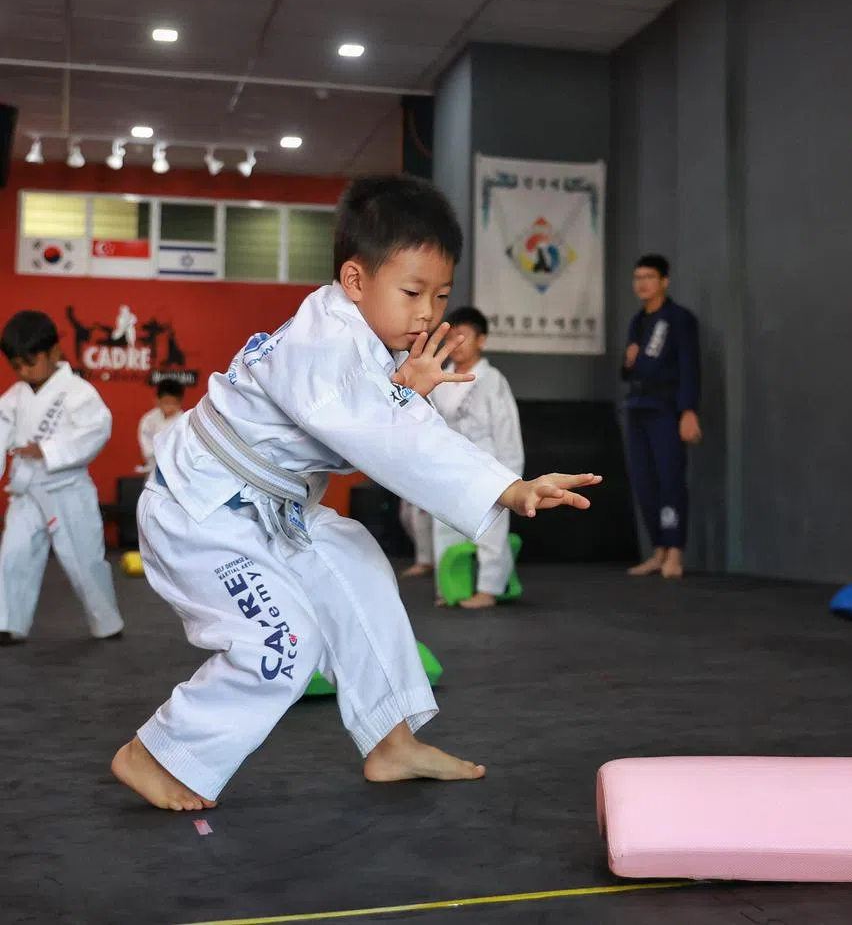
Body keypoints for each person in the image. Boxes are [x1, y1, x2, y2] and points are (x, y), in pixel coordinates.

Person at [110, 175, 601, 812]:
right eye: (412, 293)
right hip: (202, 510)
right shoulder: (328, 343)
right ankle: (157, 753)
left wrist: (405, 391)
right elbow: (390, 438)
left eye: (441, 296)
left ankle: (391, 740)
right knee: (284, 643)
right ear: (355, 280)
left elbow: (375, 422)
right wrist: (506, 486)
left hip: (269, 507)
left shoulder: (357, 341)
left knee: (358, 565)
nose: (427, 313)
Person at [0, 311, 124, 644]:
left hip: (68, 490)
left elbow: (97, 430)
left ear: (54, 352)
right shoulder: (13, 398)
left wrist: (47, 449)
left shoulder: (78, 392)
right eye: (16, 366)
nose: (24, 372)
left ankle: (106, 622)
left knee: (84, 561)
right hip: (27, 491)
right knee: (13, 554)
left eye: (30, 363)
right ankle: (8, 623)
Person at [427, 307, 525, 609]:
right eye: (451, 337)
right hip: (448, 463)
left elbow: (506, 428)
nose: (456, 343)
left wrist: (511, 477)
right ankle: (450, 588)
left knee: (490, 528)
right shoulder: (439, 376)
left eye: (464, 336)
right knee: (445, 526)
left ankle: (489, 589)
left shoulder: (492, 379)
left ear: (481, 340)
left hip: (488, 464)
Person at [621, 255, 701, 580]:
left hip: (666, 408)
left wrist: (688, 410)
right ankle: (658, 550)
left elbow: (690, 366)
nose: (642, 283)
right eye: (638, 277)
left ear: (664, 281)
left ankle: (675, 550)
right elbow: (629, 371)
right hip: (637, 407)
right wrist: (628, 362)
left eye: (649, 277)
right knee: (643, 480)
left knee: (670, 478)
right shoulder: (637, 321)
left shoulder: (679, 319)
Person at [137, 378, 185, 473]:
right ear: (158, 400)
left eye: (174, 403)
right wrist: (155, 454)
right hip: (154, 464)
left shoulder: (184, 420)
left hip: (177, 467)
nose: (170, 407)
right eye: (166, 402)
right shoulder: (149, 419)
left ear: (180, 402)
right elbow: (145, 440)